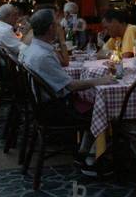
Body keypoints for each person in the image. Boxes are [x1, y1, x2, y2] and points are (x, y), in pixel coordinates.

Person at [20, 10, 115, 171]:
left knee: (93, 103)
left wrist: (61, 40)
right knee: (102, 109)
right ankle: (92, 159)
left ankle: (85, 151)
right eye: (57, 25)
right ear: (51, 28)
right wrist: (100, 81)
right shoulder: (43, 55)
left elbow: (64, 67)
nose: (60, 27)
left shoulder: (35, 47)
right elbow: (70, 85)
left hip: (43, 105)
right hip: (54, 109)